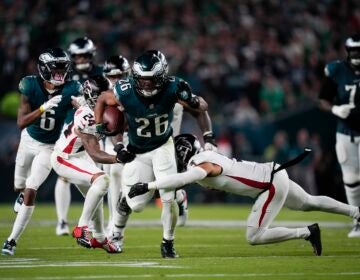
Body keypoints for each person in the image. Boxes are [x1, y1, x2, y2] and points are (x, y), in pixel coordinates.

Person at [128, 134, 360, 257]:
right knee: (308, 202)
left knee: (254, 235)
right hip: (272, 174)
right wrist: (153, 188)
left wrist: (148, 186)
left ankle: (307, 232)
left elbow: (183, 179)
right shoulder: (206, 155)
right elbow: (180, 182)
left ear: (181, 152)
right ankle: (356, 212)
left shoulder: (202, 163)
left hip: (269, 184)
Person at [94, 51, 211, 258]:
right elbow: (103, 100)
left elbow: (203, 106)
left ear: (161, 76)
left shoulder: (173, 87)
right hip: (137, 151)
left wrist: (192, 100)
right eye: (143, 80)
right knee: (136, 205)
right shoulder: (124, 90)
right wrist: (111, 139)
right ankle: (120, 223)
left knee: (168, 197)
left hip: (162, 146)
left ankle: (168, 242)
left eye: (151, 80)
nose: (147, 85)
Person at [1, 47, 81, 256]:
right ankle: (20, 196)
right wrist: (44, 108)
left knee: (31, 188)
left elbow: (84, 109)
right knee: (19, 184)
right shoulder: (29, 85)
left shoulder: (71, 88)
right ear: (44, 69)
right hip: (29, 139)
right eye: (55, 70)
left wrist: (82, 106)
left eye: (63, 69)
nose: (60, 74)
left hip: (50, 146)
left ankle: (11, 241)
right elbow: (20, 123)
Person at [51, 76, 122, 253]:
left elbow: (79, 102)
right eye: (103, 94)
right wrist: (118, 158)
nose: (108, 97)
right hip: (66, 157)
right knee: (103, 180)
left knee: (96, 197)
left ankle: (100, 238)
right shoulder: (86, 117)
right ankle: (82, 228)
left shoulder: (92, 106)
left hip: (80, 155)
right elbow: (95, 153)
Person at [54, 36, 104, 236]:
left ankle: (92, 225)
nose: (81, 59)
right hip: (72, 126)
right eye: (77, 56)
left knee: (97, 173)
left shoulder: (101, 74)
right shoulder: (66, 75)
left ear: (91, 55)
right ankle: (62, 221)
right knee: (65, 176)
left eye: (84, 55)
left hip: (96, 126)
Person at [318, 34, 360, 238]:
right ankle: (358, 221)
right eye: (354, 51)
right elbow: (323, 99)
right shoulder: (337, 70)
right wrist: (335, 109)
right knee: (351, 178)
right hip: (346, 132)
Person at [101, 54, 131, 234]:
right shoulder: (102, 91)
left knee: (120, 174)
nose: (115, 80)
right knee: (110, 178)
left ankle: (116, 223)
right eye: (111, 76)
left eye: (119, 76)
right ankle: (113, 222)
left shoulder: (133, 90)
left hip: (132, 138)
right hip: (110, 138)